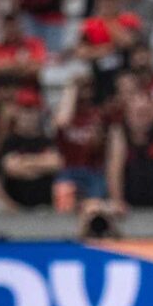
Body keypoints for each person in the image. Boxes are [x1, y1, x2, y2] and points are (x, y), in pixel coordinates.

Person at [107, 93, 153, 216]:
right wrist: (117, 200)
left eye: (146, 113)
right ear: (128, 114)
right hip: (129, 196)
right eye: (138, 113)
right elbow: (114, 170)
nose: (142, 119)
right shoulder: (119, 132)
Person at [76, 0, 143, 102]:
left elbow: (128, 42)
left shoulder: (129, 19)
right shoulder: (89, 24)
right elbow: (80, 52)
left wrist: (107, 21)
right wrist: (102, 50)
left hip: (125, 71)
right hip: (100, 75)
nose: (108, 2)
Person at [53, 75, 108, 212]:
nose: (85, 93)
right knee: (64, 196)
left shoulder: (97, 114)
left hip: (93, 171)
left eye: (88, 88)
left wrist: (97, 137)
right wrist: (72, 88)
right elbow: (62, 123)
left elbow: (98, 146)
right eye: (81, 89)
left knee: (94, 205)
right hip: (68, 170)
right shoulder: (64, 113)